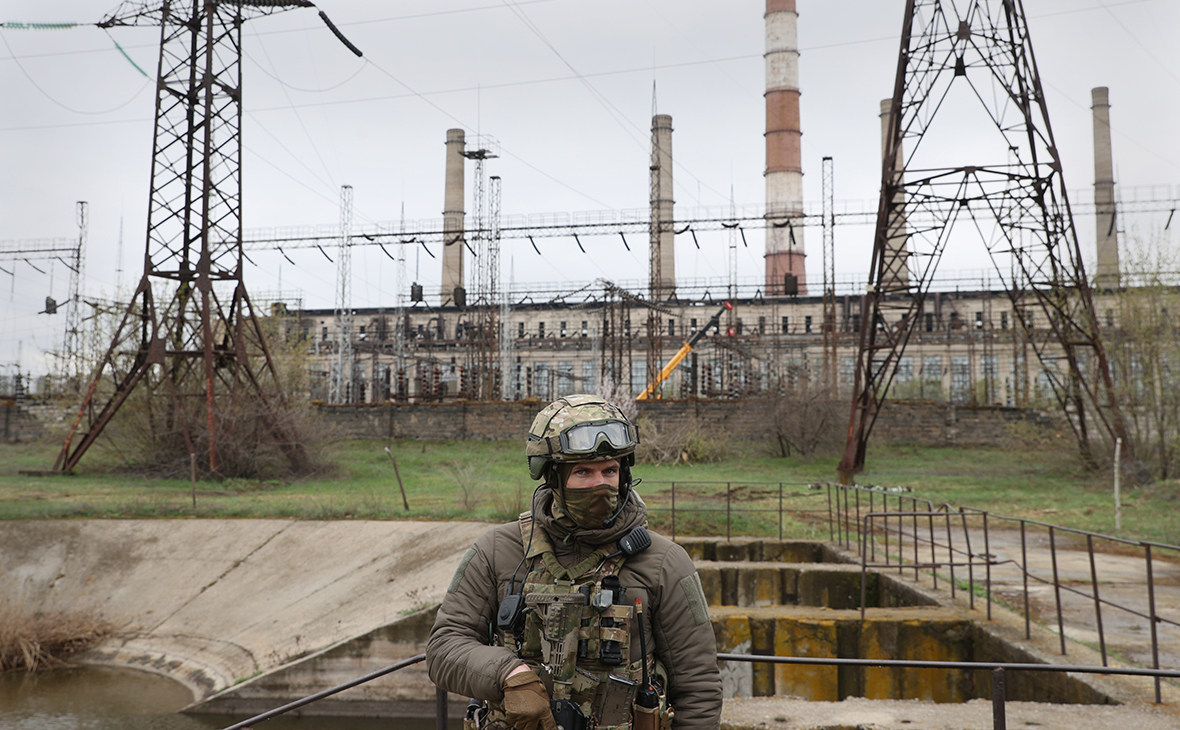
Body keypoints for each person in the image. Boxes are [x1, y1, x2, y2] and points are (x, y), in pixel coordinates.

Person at [427, 394, 722, 730]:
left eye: (609, 470)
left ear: (623, 474)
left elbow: (699, 687)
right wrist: (507, 672)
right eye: (583, 471)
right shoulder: (497, 550)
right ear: (552, 478)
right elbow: (443, 647)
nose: (600, 484)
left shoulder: (665, 562)